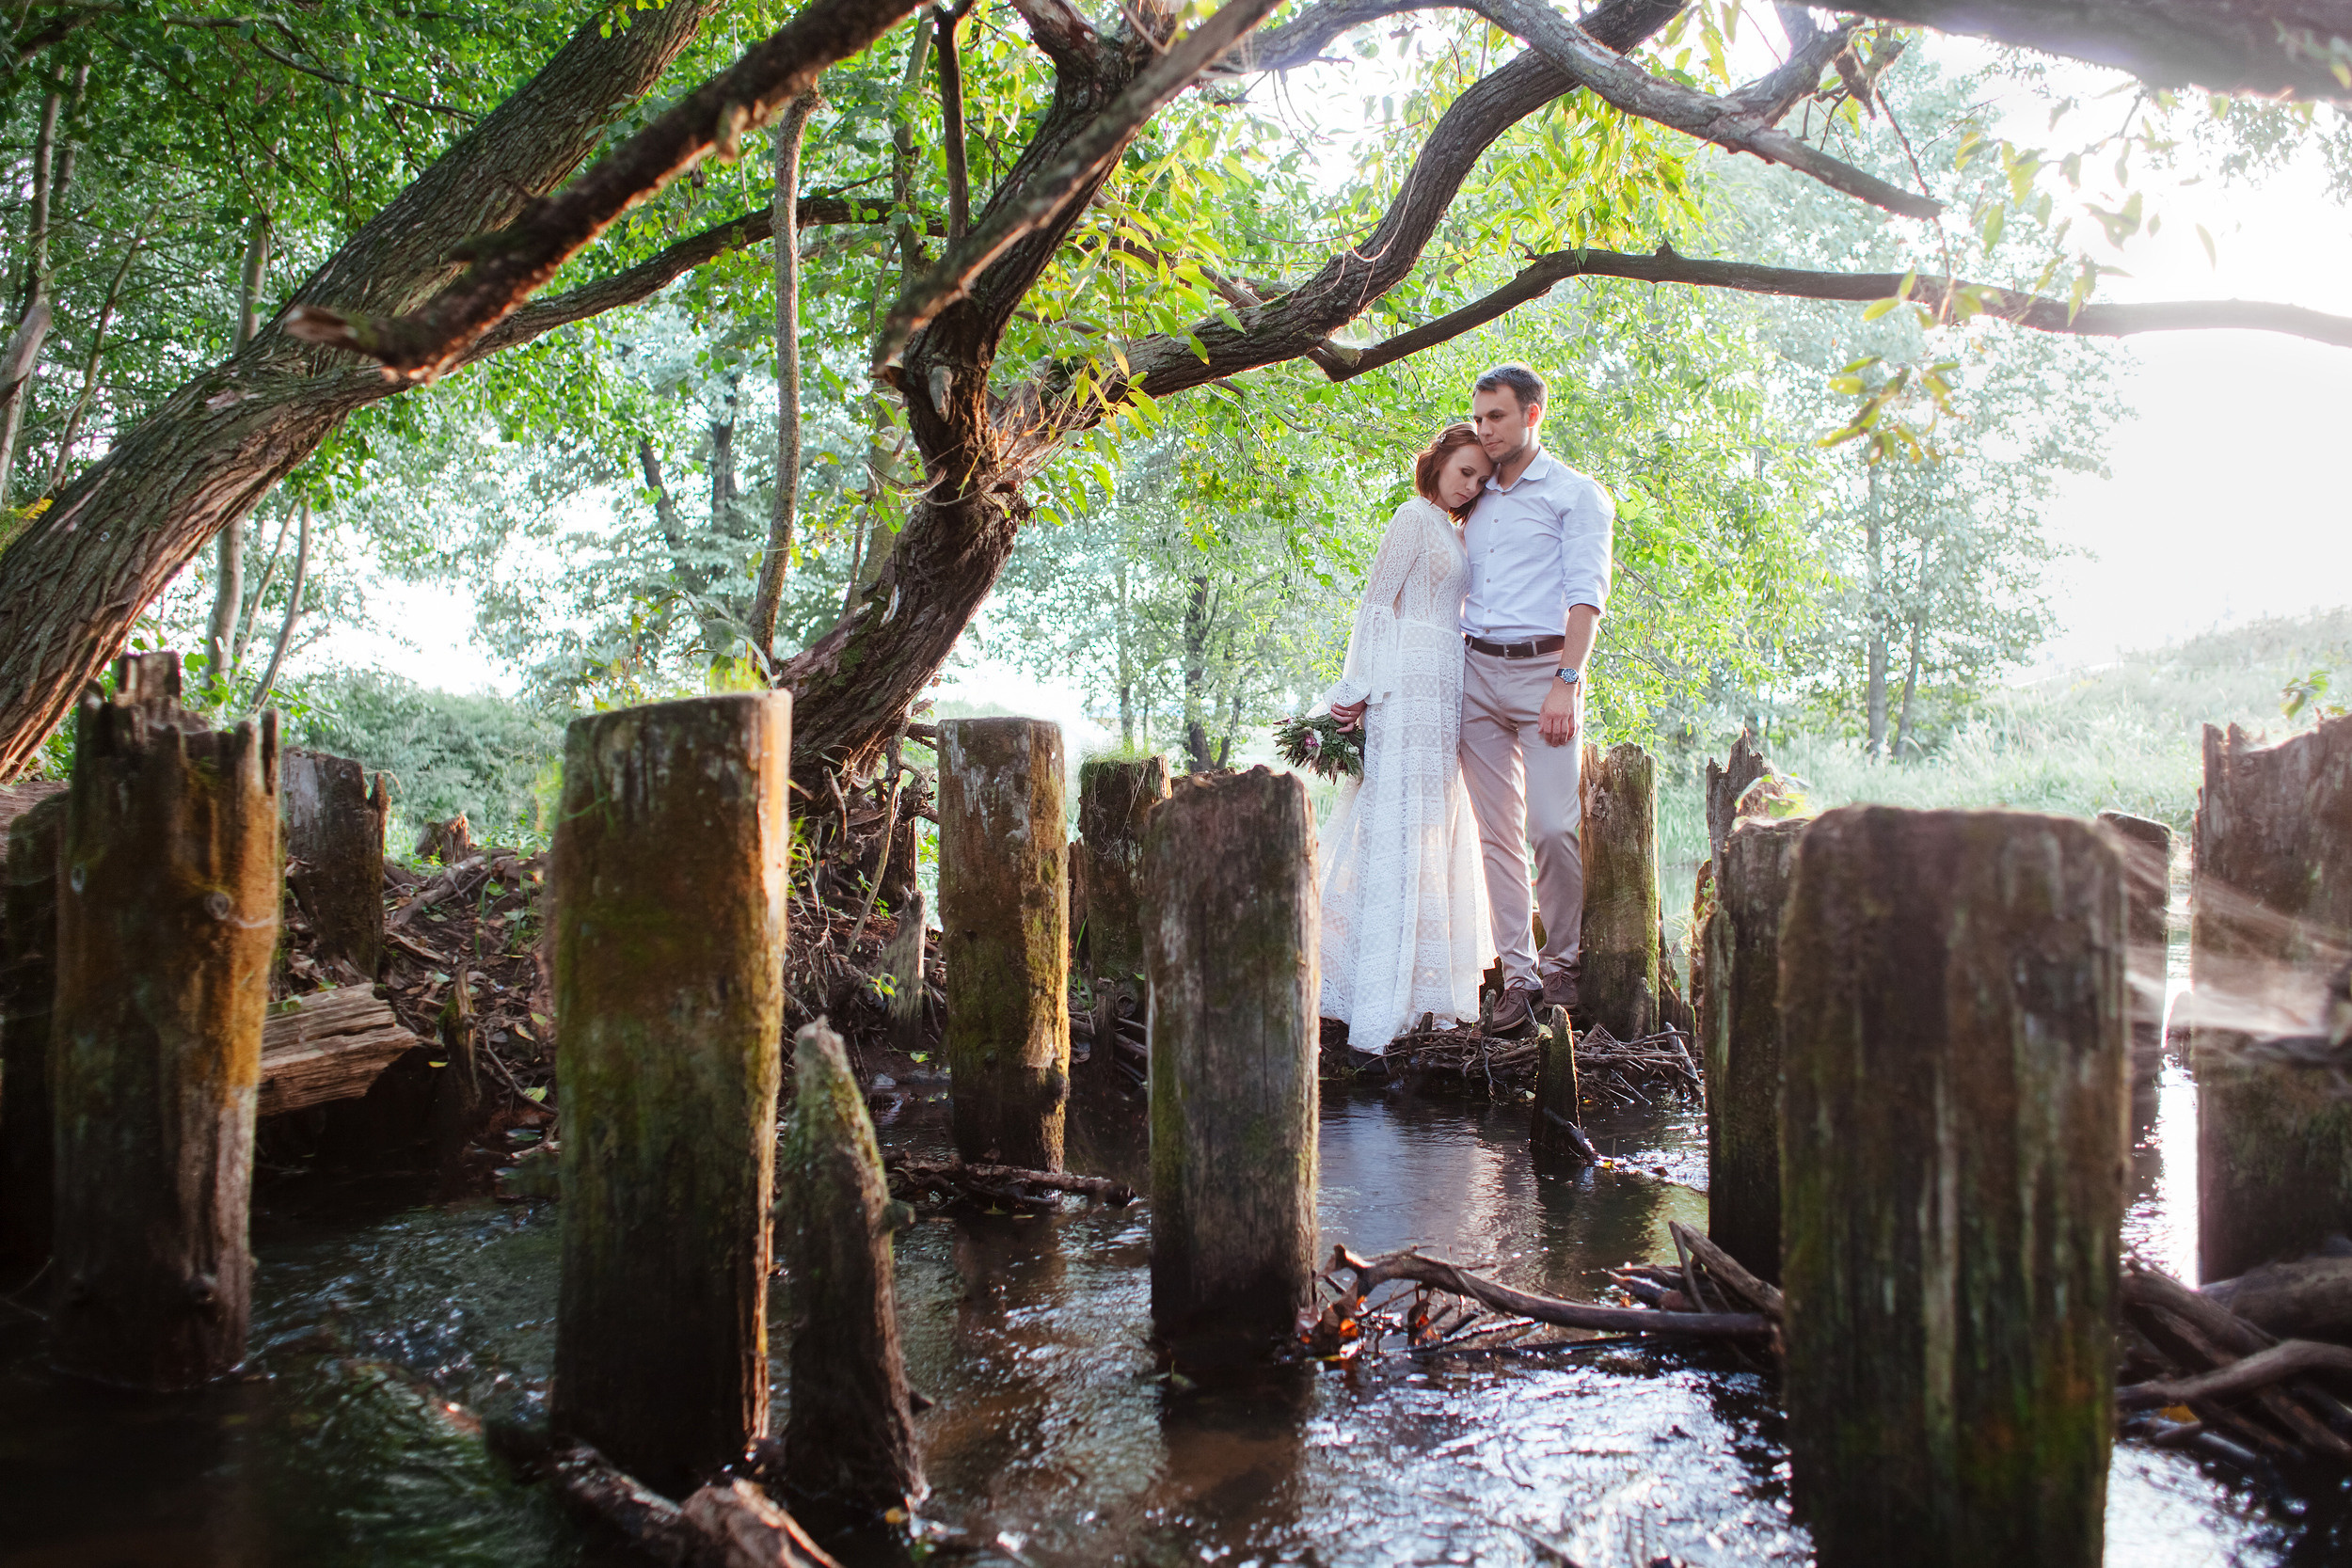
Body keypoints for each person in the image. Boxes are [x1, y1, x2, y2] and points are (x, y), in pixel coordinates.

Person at [1314, 423, 1494, 1051]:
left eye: (1479, 479)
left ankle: (1428, 995)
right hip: (1407, 684)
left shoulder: (1451, 528)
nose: (1470, 486)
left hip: (1448, 681)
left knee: (1435, 820)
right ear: (1440, 461)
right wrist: (1357, 687)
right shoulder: (1412, 517)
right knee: (1397, 816)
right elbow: (1375, 603)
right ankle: (1379, 1001)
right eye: (1464, 471)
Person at [1454, 361, 1613, 1034]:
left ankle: (1563, 963)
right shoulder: (1473, 492)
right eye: (1479, 417)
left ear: (1533, 415)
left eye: (1497, 417)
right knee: (1496, 836)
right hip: (1474, 675)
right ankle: (1517, 977)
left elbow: (1587, 597)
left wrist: (1566, 683)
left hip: (1544, 673)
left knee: (1551, 825)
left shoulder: (1577, 495)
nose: (1484, 429)